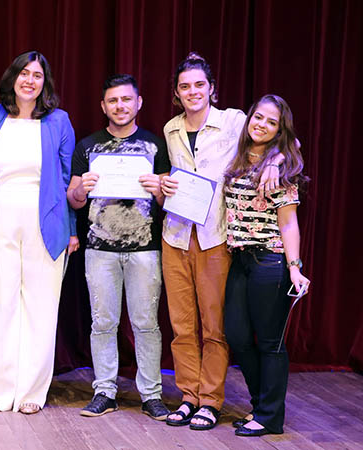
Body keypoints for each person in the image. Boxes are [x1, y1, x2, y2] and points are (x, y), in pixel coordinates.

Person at [160, 52, 281, 431]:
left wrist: (276, 159)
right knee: (182, 326)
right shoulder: (170, 128)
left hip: (215, 237)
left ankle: (210, 400)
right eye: (185, 86)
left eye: (199, 84)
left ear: (211, 88)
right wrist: (163, 186)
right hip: (175, 235)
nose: (192, 92)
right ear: (177, 93)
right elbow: (178, 180)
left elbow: (269, 136)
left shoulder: (232, 121)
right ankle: (188, 396)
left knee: (214, 326)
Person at [0, 51, 78, 415]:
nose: (30, 80)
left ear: (44, 82)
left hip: (46, 218)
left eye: (37, 75)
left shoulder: (59, 121)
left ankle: (31, 391)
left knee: (41, 306)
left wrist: (72, 230)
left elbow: (67, 182)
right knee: (0, 302)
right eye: (24, 73)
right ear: (12, 77)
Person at [67, 74, 170, 420]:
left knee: (146, 323)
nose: (120, 106)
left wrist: (158, 187)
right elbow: (75, 199)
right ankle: (105, 390)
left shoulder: (156, 146)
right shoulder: (87, 147)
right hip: (100, 248)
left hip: (145, 248)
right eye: (113, 101)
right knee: (103, 322)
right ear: (103, 106)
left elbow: (168, 201)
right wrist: (83, 189)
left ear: (138, 103)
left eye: (126, 99)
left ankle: (151, 393)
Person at [223, 95, 309, 437]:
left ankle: (270, 416)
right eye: (258, 117)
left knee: (270, 342)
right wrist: (277, 154)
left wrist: (294, 267)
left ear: (279, 130)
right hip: (239, 259)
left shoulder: (282, 168)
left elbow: (289, 223)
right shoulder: (240, 156)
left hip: (270, 261)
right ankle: (262, 405)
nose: (262, 125)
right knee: (237, 335)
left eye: (271, 122)